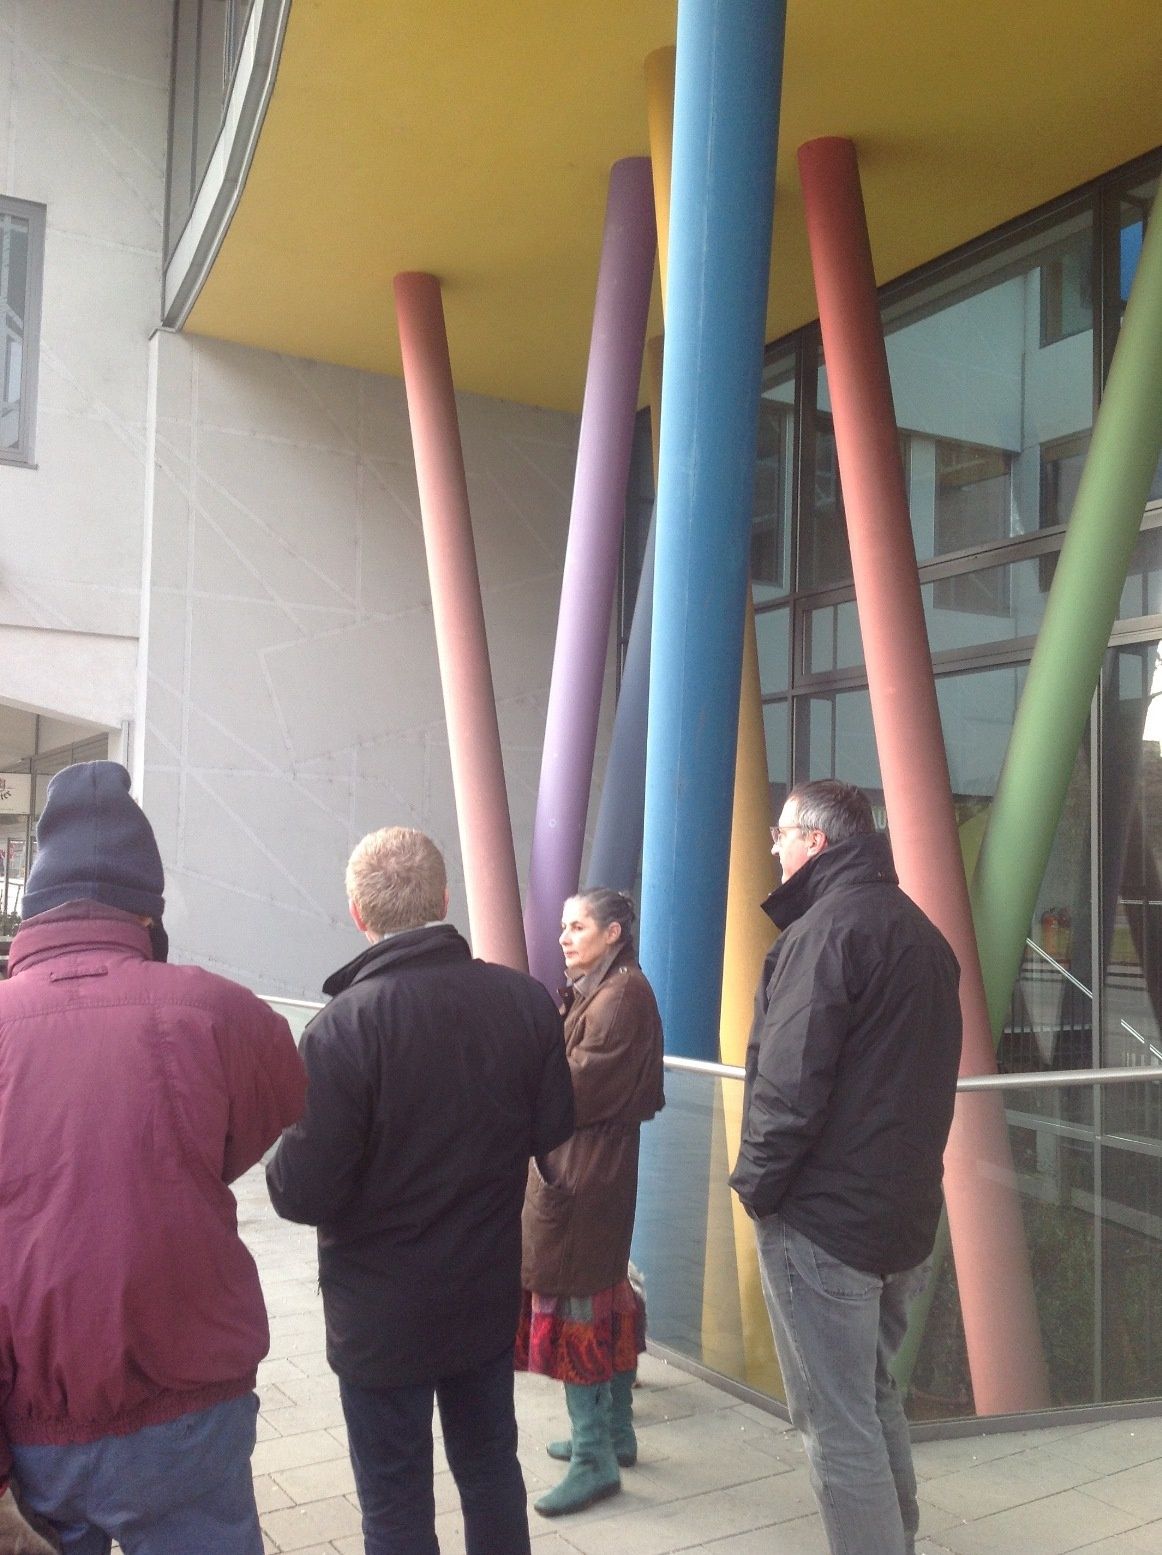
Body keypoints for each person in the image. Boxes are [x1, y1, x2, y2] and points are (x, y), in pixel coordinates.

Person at [0, 761, 307, 1555]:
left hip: (36, 1424)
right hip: (190, 1417)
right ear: (146, 911)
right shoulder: (222, 1013)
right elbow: (269, 1105)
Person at [266, 826, 574, 1555]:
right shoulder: (524, 1001)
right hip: (482, 1294)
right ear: (443, 898)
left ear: (357, 913)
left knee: (395, 1504)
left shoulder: (341, 1030)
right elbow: (554, 1131)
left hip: (379, 1317)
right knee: (491, 1471)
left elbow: (299, 1193)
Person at [728, 779, 962, 1555]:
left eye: (781, 832)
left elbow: (788, 1087)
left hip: (823, 1226)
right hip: (902, 1220)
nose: (774, 846)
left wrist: (757, 1190)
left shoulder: (825, 933)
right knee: (871, 1393)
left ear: (816, 842)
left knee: (835, 1424)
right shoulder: (923, 936)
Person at [518, 888, 665, 1518]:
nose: (564, 937)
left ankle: (594, 1457)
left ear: (613, 933)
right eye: (563, 927)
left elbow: (571, 1089)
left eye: (577, 927)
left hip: (585, 1175)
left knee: (580, 1305)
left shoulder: (619, 996)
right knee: (604, 1297)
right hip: (590, 1170)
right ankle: (613, 1433)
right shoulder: (606, 989)